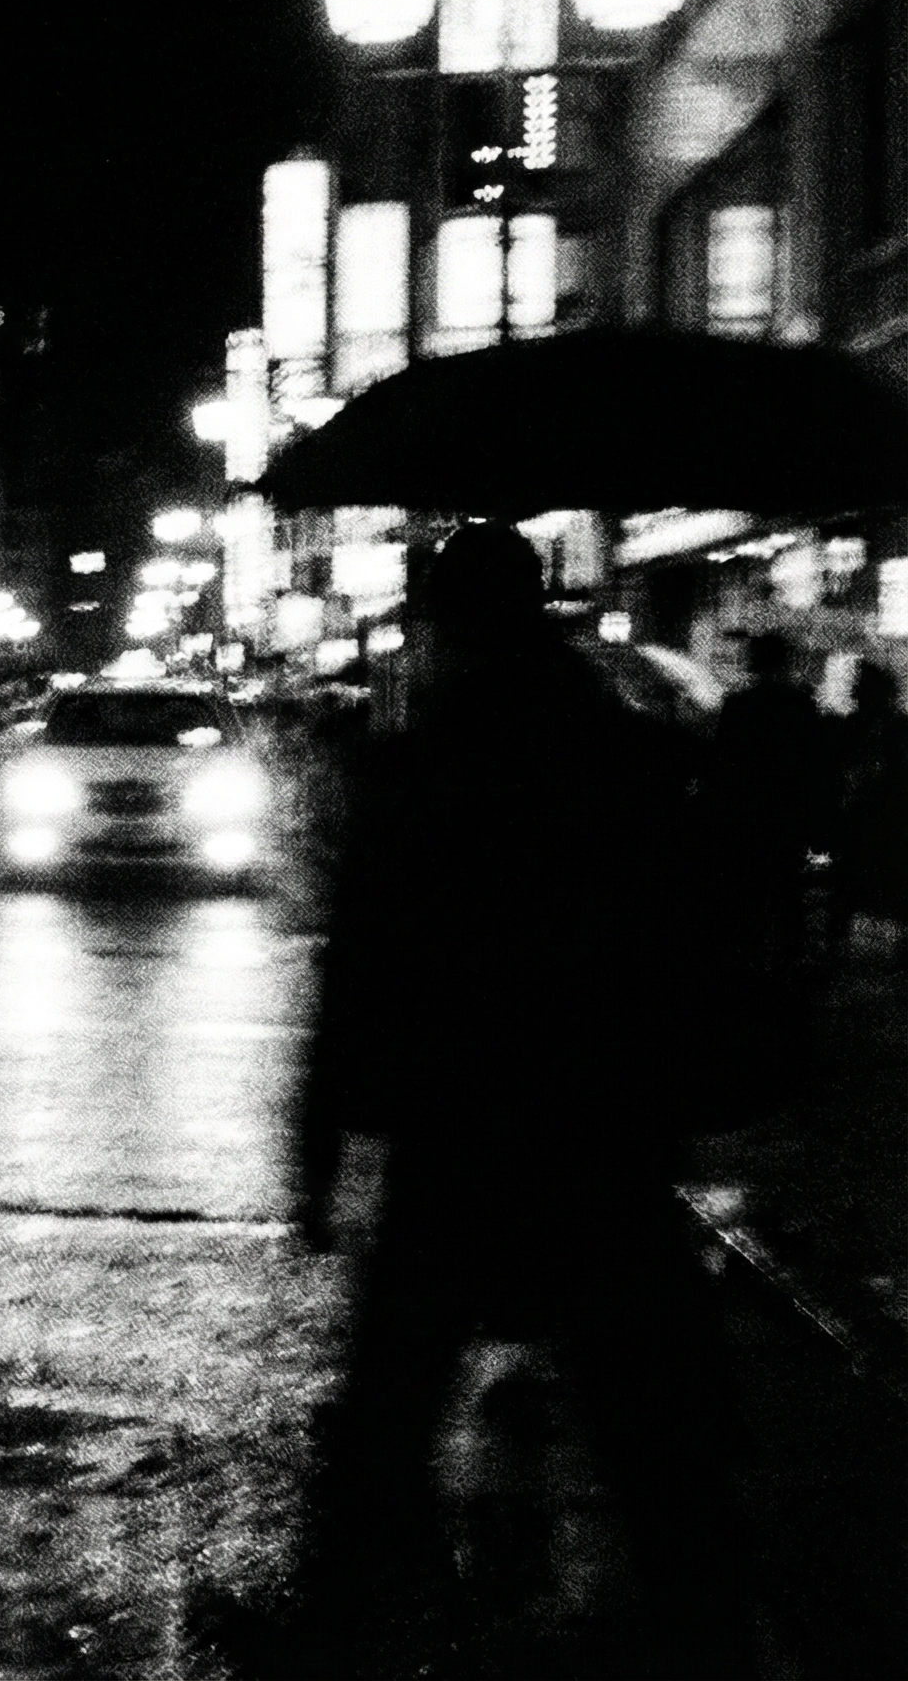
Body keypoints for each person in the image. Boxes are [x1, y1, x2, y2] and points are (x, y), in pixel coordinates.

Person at [265, 522, 760, 1679]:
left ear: (439, 624)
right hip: (599, 1124)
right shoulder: (630, 756)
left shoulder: (419, 769)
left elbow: (363, 968)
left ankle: (339, 1621)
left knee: (393, 1398)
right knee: (648, 1418)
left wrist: (320, 1143)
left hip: (457, 1124)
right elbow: (686, 941)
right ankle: (707, 1629)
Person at [702, 629, 833, 978]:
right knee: (786, 885)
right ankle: (789, 956)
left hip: (746, 811)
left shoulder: (738, 705)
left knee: (749, 888)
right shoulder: (800, 705)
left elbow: (722, 764)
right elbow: (814, 766)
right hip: (785, 810)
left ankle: (750, 955)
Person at [829, 657, 908, 961]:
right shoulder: (897, 727)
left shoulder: (850, 727)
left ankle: (835, 942)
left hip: (860, 815)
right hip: (885, 818)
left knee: (850, 880)